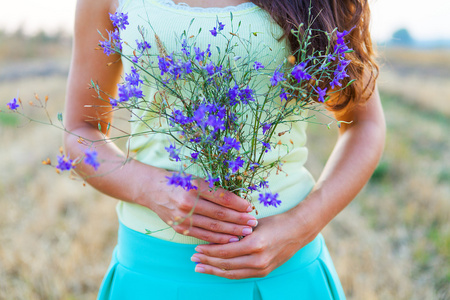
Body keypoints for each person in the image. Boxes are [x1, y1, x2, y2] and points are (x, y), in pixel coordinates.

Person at [65, 0, 385, 299]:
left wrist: (301, 226)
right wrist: (149, 188)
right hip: (154, 267)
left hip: (283, 269)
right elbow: (80, 132)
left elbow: (364, 123)